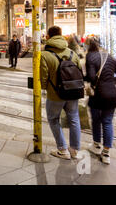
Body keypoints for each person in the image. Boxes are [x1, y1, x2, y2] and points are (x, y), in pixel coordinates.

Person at [40, 26, 82, 159]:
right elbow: (80, 72)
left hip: (55, 94)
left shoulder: (44, 55)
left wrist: (46, 89)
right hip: (73, 92)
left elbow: (43, 78)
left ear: (48, 37)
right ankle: (74, 150)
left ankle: (63, 149)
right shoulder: (72, 53)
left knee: (53, 119)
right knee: (74, 118)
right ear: (61, 35)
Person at [85, 39, 116, 165]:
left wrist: (83, 77)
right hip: (112, 94)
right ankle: (106, 153)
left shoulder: (90, 57)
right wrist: (111, 82)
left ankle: (96, 145)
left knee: (96, 120)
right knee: (107, 122)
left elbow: (92, 77)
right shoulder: (109, 56)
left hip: (98, 94)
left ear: (88, 47)